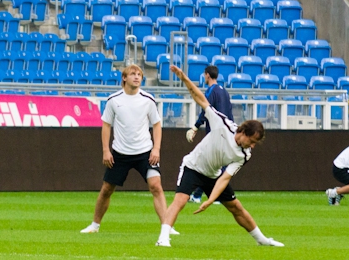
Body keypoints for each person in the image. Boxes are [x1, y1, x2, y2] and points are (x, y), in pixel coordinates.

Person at [155, 65, 284, 248]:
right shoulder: (222, 124)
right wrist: (184, 78)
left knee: (236, 207)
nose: (253, 146)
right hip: (193, 166)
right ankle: (163, 238)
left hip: (213, 175)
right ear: (244, 132)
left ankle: (262, 240)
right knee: (181, 200)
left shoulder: (244, 154)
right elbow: (200, 99)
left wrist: (210, 200)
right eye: (252, 140)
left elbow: (225, 178)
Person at [81, 64, 175, 234]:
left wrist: (156, 149)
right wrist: (105, 150)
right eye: (133, 74)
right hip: (120, 153)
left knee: (156, 185)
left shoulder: (148, 99)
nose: (137, 77)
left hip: (145, 152)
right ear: (124, 78)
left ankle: (166, 226)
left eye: (139, 74)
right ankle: (95, 225)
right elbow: (106, 125)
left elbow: (157, 124)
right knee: (107, 189)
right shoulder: (114, 100)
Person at [185, 65, 233, 204]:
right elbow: (229, 113)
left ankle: (214, 195)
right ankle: (201, 195)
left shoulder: (211, 91)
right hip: (226, 133)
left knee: (207, 164)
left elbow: (207, 111)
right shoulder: (225, 91)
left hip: (214, 134)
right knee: (215, 164)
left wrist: (195, 127)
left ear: (207, 75)